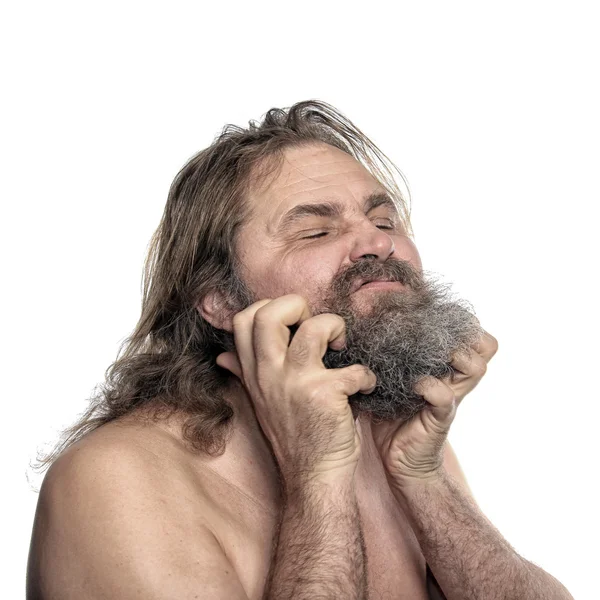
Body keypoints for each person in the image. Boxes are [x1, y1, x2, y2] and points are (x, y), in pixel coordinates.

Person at [26, 100, 573, 600]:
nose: (379, 242)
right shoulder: (115, 481)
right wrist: (318, 477)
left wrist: (421, 477)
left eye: (384, 221)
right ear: (217, 300)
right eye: (315, 231)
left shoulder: (398, 444)